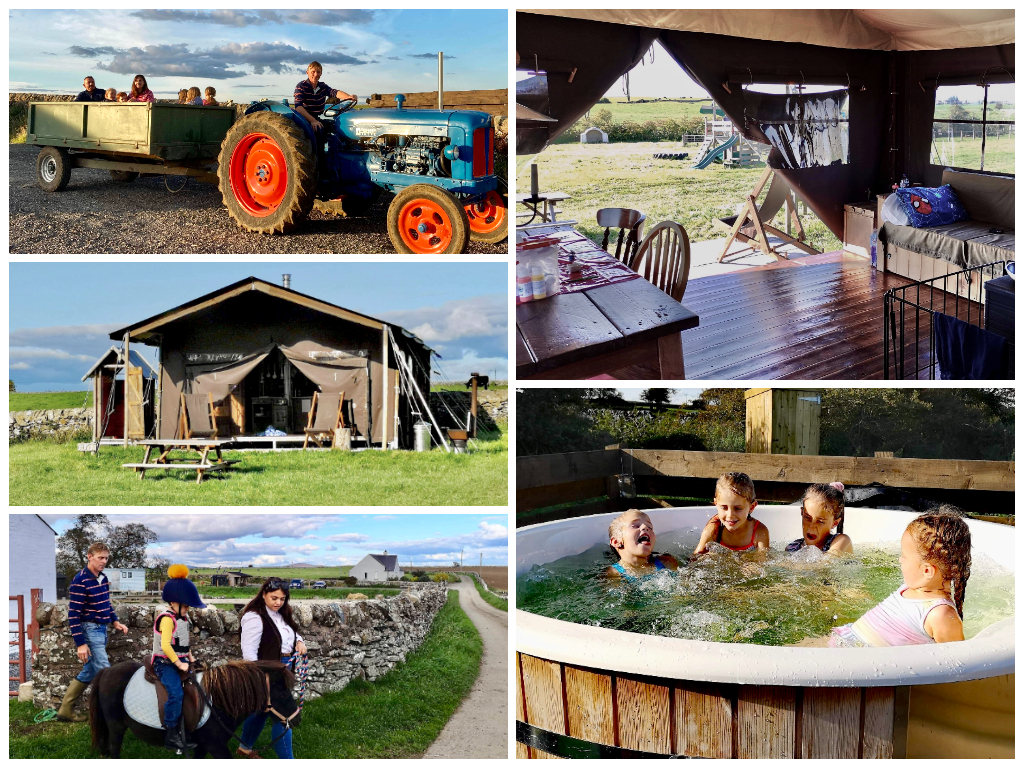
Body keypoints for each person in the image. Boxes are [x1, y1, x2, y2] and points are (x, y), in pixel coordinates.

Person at [830, 511, 971, 647]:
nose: (900, 560)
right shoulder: (912, 587)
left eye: (904, 556)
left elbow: (957, 662)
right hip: (846, 637)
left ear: (927, 571)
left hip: (858, 658)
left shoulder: (940, 615)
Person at [56, 542, 129, 721]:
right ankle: (115, 716)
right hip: (90, 630)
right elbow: (73, 614)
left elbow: (106, 603)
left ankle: (65, 710)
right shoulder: (80, 580)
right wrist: (81, 644)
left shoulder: (102, 578)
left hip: (102, 629)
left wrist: (115, 621)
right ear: (90, 556)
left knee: (89, 670)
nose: (104, 561)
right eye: (100, 558)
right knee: (106, 670)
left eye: (106, 558)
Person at [235, 578, 307, 759]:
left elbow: (290, 631)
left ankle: (244, 748)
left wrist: (299, 641)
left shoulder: (282, 613)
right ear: (264, 594)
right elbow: (249, 655)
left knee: (261, 710)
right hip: (266, 674)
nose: (278, 602)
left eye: (282, 599)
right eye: (274, 598)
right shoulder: (254, 617)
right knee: (285, 717)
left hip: (284, 669)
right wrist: (259, 680)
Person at [151, 564, 206, 752]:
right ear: (174, 602)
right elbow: (166, 646)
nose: (189, 608)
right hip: (164, 662)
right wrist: (178, 664)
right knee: (175, 692)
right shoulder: (167, 619)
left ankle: (189, 726)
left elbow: (183, 642)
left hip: (181, 660)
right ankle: (171, 733)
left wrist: (190, 657)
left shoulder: (183, 618)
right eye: (187, 605)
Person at [694, 472, 769, 555]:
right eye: (724, 507)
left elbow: (763, 562)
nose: (730, 515)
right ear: (716, 504)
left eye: (737, 508)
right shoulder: (713, 529)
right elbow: (694, 559)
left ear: (751, 507)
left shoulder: (759, 532)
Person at [605, 509, 679, 582]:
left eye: (650, 527)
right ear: (616, 541)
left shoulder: (666, 563)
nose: (645, 527)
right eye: (635, 526)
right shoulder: (614, 574)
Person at [786, 482, 853, 554]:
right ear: (802, 512)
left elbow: (827, 562)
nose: (811, 527)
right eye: (807, 517)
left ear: (834, 523)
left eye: (820, 521)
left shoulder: (841, 541)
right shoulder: (793, 547)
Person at [293, 61, 356, 133]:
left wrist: (348, 96)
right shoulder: (301, 86)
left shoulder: (322, 86)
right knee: (319, 130)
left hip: (316, 117)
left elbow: (334, 92)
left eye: (318, 72)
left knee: (334, 126)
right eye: (313, 72)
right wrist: (313, 121)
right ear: (307, 72)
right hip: (304, 118)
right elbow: (298, 107)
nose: (316, 74)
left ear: (321, 74)